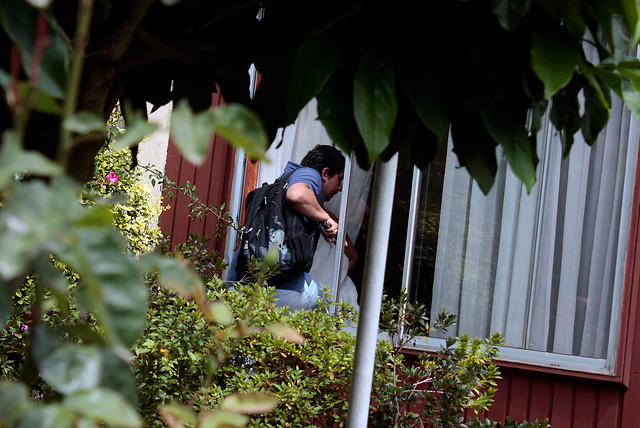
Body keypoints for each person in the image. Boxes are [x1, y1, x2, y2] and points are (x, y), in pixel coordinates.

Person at [229, 144, 347, 310]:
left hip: (239, 284)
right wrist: (325, 218)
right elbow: (297, 195)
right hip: (283, 287)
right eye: (340, 179)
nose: (341, 188)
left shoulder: (284, 182)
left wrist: (319, 222)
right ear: (325, 173)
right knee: (323, 301)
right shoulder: (310, 174)